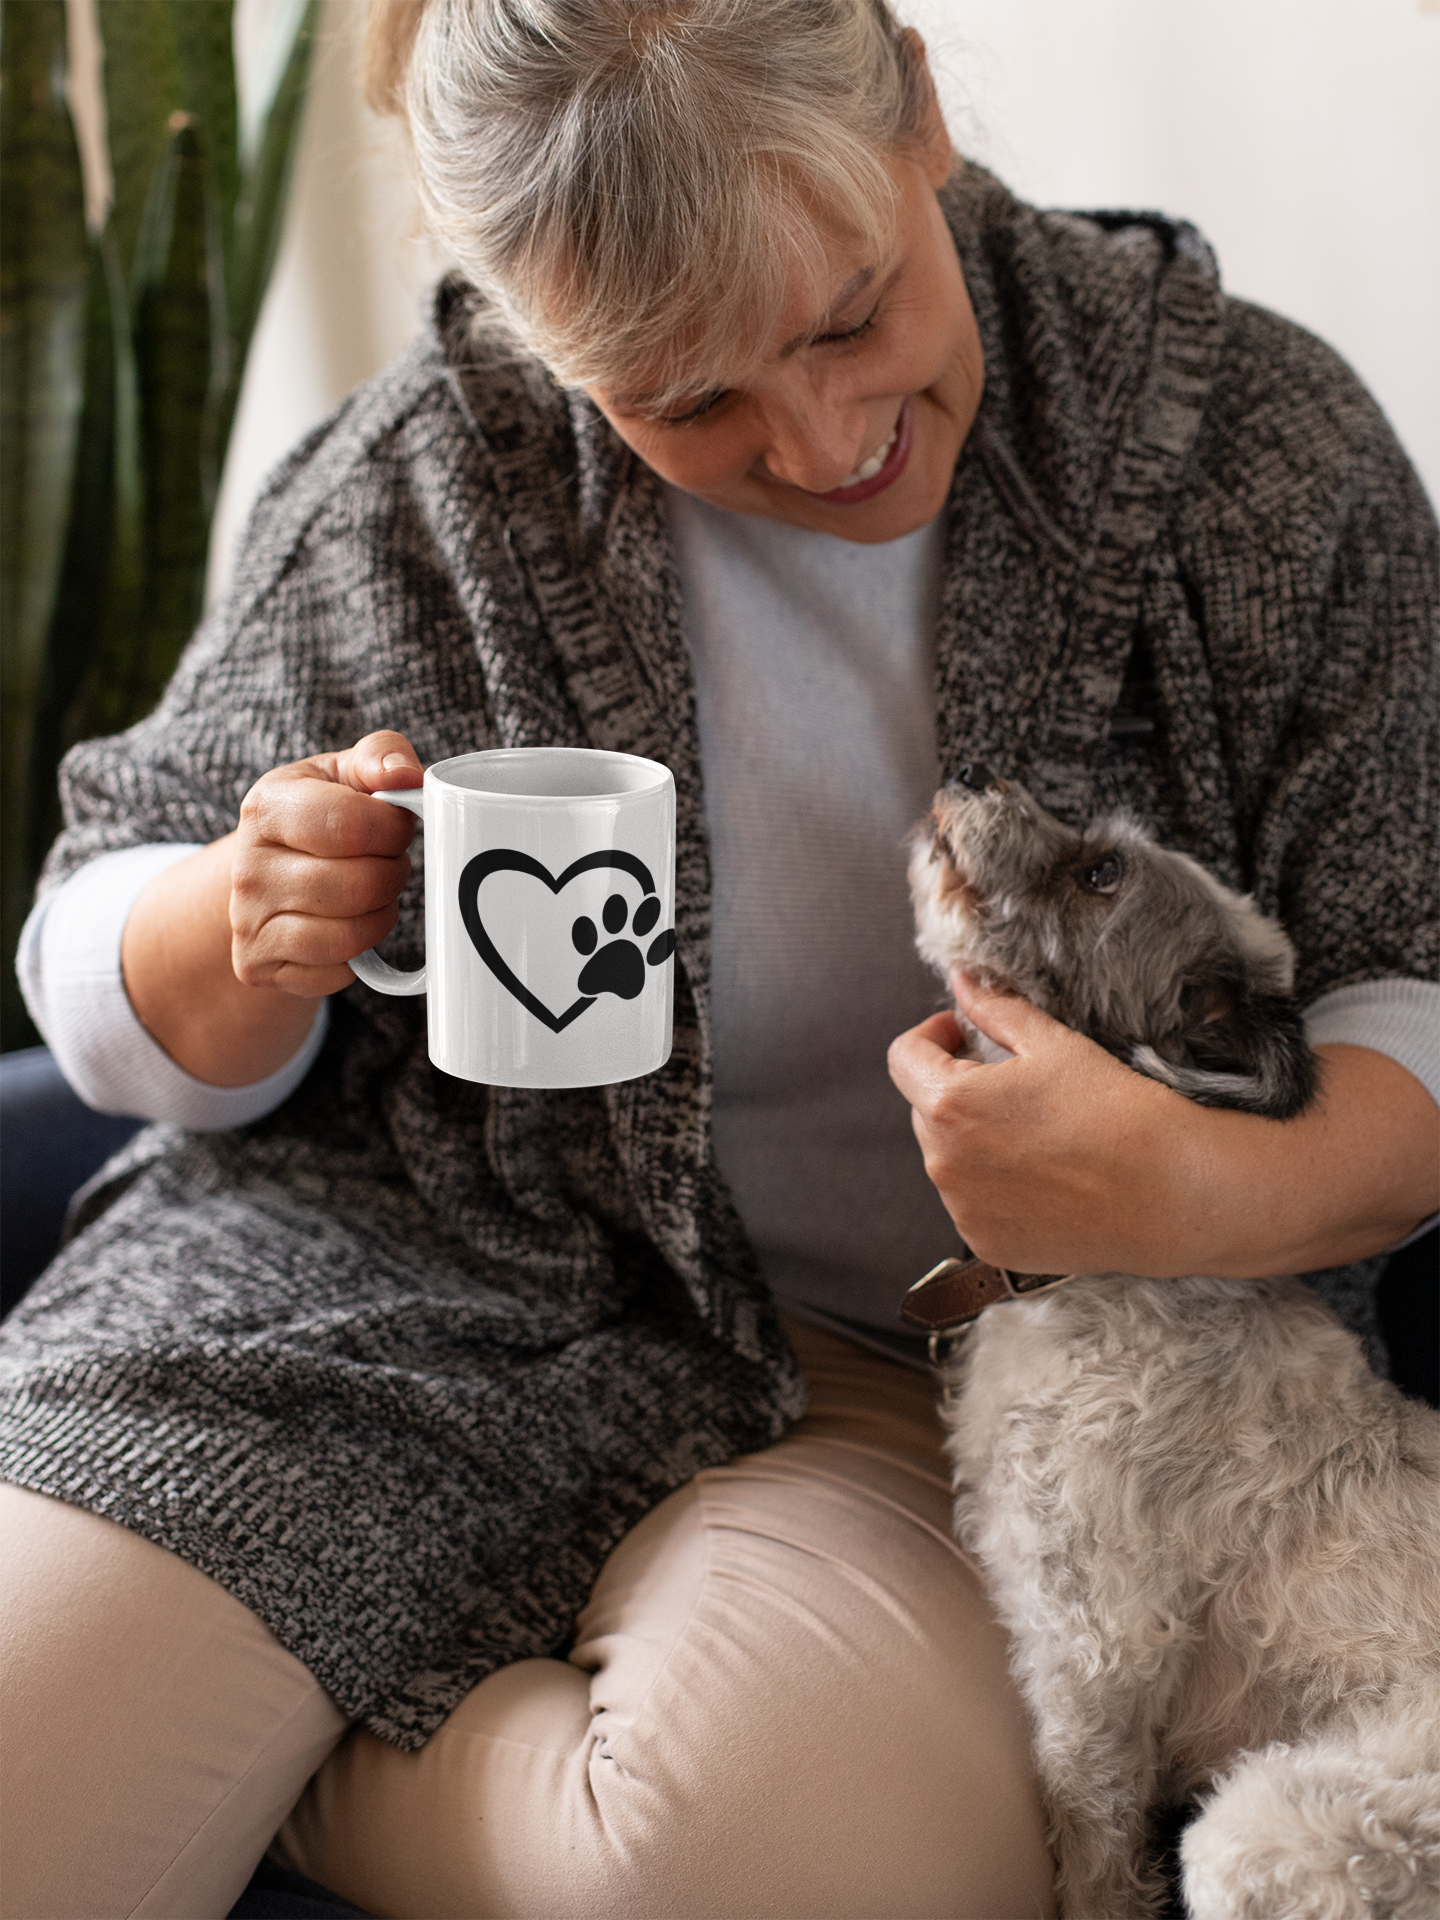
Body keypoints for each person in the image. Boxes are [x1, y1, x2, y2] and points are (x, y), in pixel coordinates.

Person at [5, 0, 1440, 1914]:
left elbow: (1408, 964)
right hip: (367, 1291)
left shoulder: (1248, 451)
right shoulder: (418, 493)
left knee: (810, 1865)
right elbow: (97, 951)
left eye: (850, 317)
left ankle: (288, 1736)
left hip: (906, 1381)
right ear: (541, 338)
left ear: (919, 106)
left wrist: (1205, 1192)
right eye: (684, 400)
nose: (829, 438)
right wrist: (238, 929)